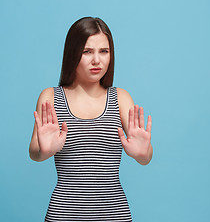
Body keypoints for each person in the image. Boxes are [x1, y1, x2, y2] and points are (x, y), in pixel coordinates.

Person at [29, 17, 153, 221]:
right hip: (64, 214)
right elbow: (34, 153)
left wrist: (142, 154)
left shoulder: (120, 98)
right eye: (87, 51)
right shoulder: (50, 97)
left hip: (114, 215)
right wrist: (45, 150)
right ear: (72, 53)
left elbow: (145, 156)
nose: (97, 60)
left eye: (104, 51)